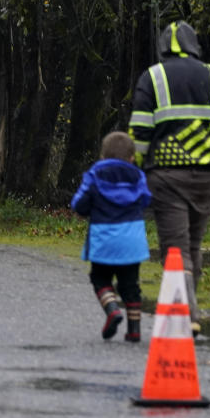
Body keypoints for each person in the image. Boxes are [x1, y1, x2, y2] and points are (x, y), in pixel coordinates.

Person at [130, 21, 210, 337]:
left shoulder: (153, 77)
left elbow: (139, 135)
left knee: (176, 248)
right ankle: (188, 307)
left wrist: (138, 170)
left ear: (163, 48)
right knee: (193, 243)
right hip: (208, 177)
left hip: (166, 176)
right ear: (195, 46)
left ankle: (188, 314)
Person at [71, 131, 152, 342]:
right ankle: (134, 329)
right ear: (132, 157)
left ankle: (113, 309)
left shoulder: (94, 175)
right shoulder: (138, 176)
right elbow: (146, 200)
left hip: (104, 240)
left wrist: (87, 209)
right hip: (132, 242)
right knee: (130, 285)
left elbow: (79, 204)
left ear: (102, 157)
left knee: (100, 278)